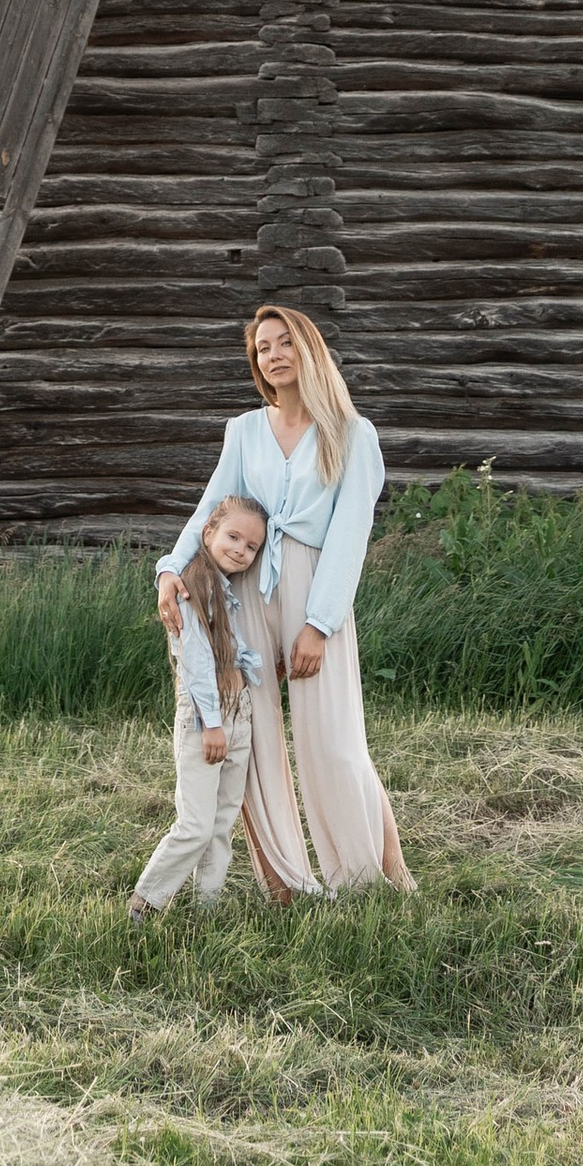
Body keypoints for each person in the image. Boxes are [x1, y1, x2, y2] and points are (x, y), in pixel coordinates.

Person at [156, 304, 413, 897]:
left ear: (309, 349)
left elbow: (350, 534)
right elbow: (211, 510)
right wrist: (172, 568)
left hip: (315, 589)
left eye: (283, 343)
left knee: (335, 738)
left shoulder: (352, 432)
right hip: (245, 594)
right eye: (262, 348)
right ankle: (284, 880)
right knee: (254, 733)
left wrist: (318, 624)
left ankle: (378, 876)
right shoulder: (243, 430)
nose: (272, 355)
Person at [128, 490, 269, 916]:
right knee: (195, 824)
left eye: (251, 547)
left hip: (237, 709)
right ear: (207, 531)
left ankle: (205, 907)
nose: (241, 551)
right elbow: (196, 660)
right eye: (233, 537)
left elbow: (227, 647)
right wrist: (212, 725)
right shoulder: (192, 585)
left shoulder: (222, 587)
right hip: (206, 718)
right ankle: (146, 902)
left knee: (222, 821)